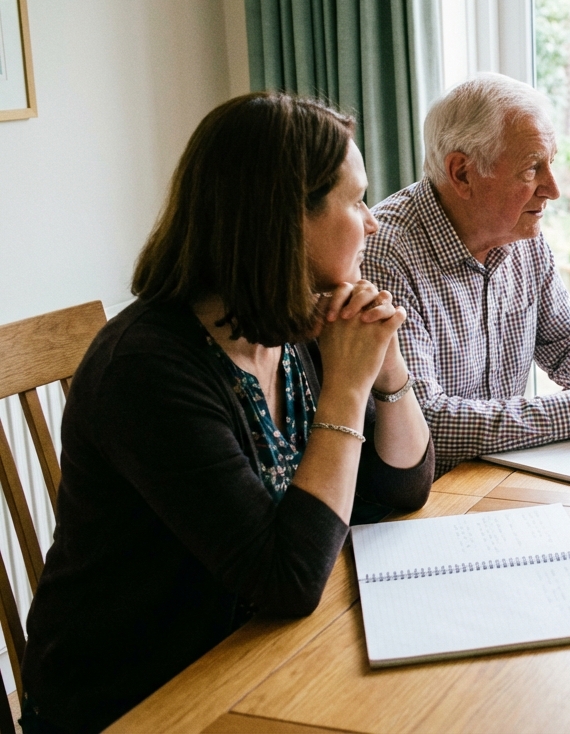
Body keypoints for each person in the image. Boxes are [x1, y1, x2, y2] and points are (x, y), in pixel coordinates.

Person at [21, 93, 435, 733]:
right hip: (138, 694)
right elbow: (286, 580)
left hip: (253, 652)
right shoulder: (147, 370)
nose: (372, 222)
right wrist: (347, 387)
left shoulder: (291, 323)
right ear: (285, 219)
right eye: (356, 201)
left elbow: (404, 486)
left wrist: (386, 367)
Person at [364, 73, 570, 472]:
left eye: (551, 164)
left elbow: (568, 338)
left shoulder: (520, 233)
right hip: (427, 497)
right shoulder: (384, 255)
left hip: (503, 475)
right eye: (531, 169)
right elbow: (425, 420)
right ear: (462, 174)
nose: (553, 189)